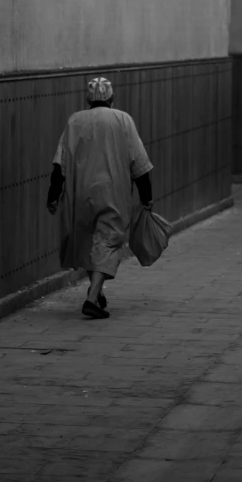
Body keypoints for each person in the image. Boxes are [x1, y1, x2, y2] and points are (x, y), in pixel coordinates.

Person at [46, 77, 153, 319]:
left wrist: (53, 195)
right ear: (111, 98)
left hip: (80, 193)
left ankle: (97, 290)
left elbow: (59, 164)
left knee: (88, 241)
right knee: (107, 242)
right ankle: (92, 298)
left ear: (88, 99)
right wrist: (147, 197)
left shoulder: (75, 121)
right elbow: (139, 163)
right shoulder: (122, 119)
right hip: (112, 193)